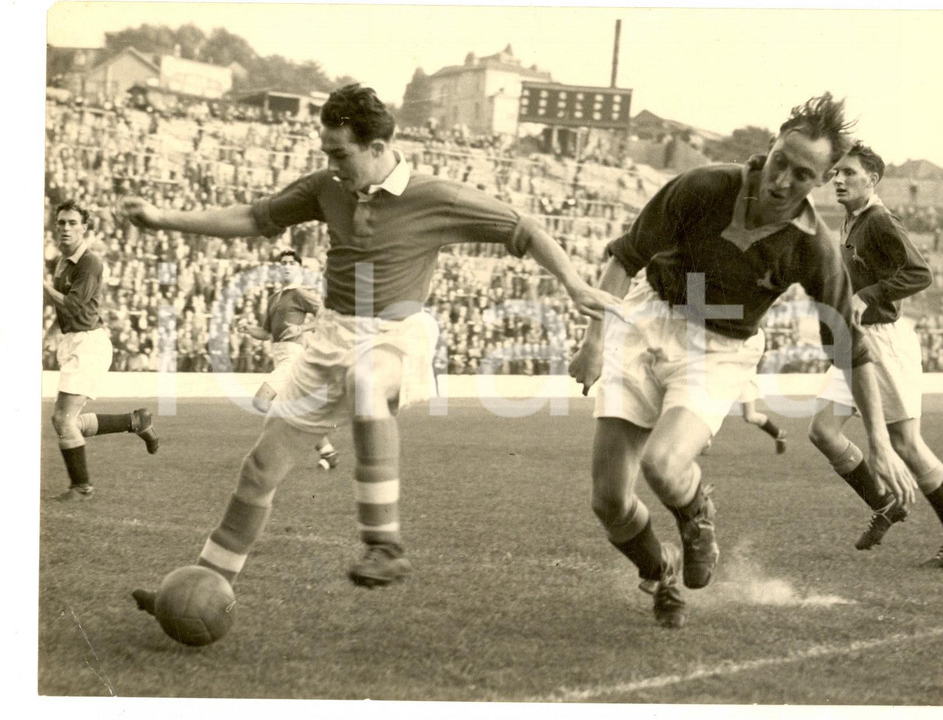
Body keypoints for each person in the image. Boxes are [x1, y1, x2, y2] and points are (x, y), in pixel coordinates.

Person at [120, 84, 619, 614]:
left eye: (340, 154)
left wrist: (574, 284)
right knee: (259, 469)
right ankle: (201, 589)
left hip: (397, 333)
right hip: (330, 337)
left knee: (366, 381)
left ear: (378, 147)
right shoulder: (326, 187)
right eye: (327, 153)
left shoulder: (435, 196)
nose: (331, 165)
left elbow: (524, 228)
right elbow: (254, 218)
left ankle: (385, 544)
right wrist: (163, 217)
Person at [569, 94, 917, 629]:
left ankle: (695, 512)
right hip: (644, 316)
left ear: (821, 180)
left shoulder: (814, 248)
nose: (782, 181)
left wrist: (879, 441)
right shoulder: (703, 186)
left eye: (802, 175)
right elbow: (626, 256)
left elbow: (850, 348)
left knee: (663, 464)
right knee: (609, 502)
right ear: (770, 147)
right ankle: (659, 570)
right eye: (781, 162)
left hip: (720, 348)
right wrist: (594, 340)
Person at [807, 142, 943, 567]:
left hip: (883, 341)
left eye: (849, 173)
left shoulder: (880, 219)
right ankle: (885, 504)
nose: (839, 179)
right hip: (856, 340)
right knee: (823, 431)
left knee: (905, 443)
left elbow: (921, 273)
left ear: (872, 180)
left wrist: (868, 296)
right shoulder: (853, 220)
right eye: (837, 173)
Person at [43, 199, 159, 501]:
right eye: (61, 222)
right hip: (75, 341)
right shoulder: (63, 262)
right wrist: (52, 333)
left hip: (89, 344)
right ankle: (135, 421)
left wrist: (42, 287)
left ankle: (82, 487)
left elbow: (73, 305)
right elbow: (65, 308)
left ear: (84, 228)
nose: (66, 228)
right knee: (68, 421)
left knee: (63, 420)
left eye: (72, 223)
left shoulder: (89, 262)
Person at [237, 248, 338, 471]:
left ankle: (275, 450)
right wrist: (248, 329)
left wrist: (302, 328)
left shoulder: (300, 293)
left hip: (293, 356)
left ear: (299, 268)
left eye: (292, 263)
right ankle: (328, 452)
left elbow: (327, 316)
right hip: (279, 355)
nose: (287, 266)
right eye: (283, 263)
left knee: (261, 401)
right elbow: (266, 333)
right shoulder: (274, 298)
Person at [701, 375, 787, 456]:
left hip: (745, 382)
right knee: (716, 409)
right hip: (730, 381)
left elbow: (758, 363)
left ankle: (778, 433)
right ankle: (705, 439)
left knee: (750, 416)